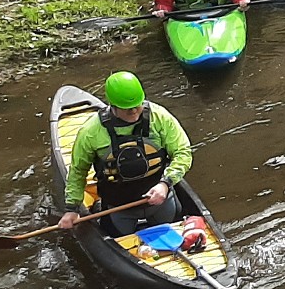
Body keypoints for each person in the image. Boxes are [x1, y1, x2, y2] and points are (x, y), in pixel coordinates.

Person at [58, 72, 193, 235]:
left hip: (161, 200)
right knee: (113, 233)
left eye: (138, 105)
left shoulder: (159, 118)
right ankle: (99, 208)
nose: (134, 111)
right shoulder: (91, 132)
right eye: (127, 108)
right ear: (112, 105)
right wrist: (72, 208)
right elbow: (78, 171)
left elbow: (183, 152)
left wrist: (165, 183)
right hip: (118, 209)